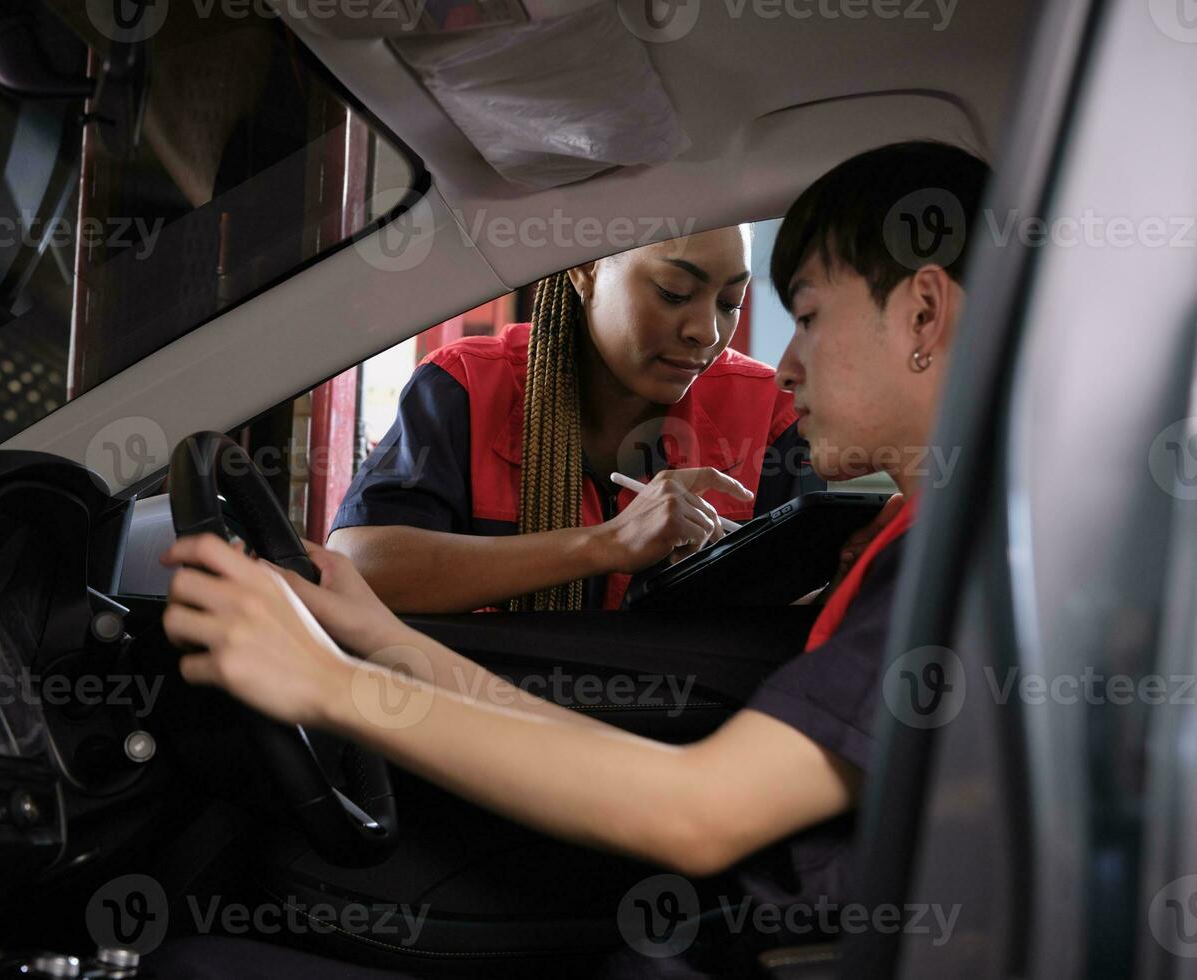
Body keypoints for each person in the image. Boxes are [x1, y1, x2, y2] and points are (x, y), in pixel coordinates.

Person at [156, 141, 990, 972]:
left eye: (802, 316)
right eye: (675, 291)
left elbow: (696, 809)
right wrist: (382, 640)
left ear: (922, 314)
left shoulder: (954, 569)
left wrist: (332, 685)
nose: (782, 365)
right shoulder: (923, 545)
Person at [328, 226, 824, 613]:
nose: (707, 331)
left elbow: (806, 615)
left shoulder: (772, 414)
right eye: (674, 292)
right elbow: (359, 565)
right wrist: (606, 545)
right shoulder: (468, 387)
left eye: (729, 303)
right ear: (585, 269)